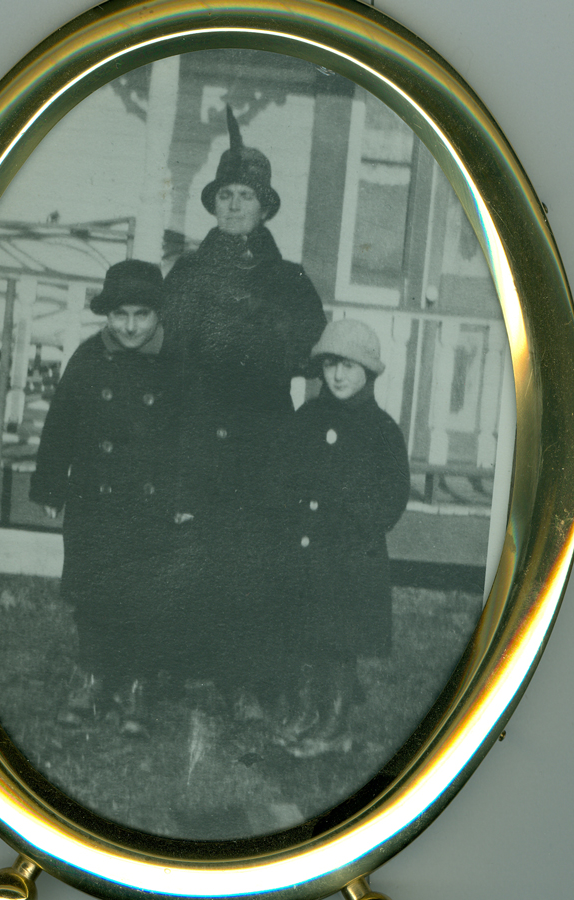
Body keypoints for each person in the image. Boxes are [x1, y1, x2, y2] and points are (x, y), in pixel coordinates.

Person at [161, 106, 326, 710]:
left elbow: (302, 343)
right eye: (225, 195)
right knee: (194, 551)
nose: (233, 206)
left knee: (255, 555)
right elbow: (173, 342)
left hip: (262, 439)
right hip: (199, 433)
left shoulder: (287, 279)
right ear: (213, 204)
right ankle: (184, 673)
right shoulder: (188, 272)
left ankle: (252, 680)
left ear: (264, 208)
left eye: (245, 197)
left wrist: (246, 331)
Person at [29, 259, 181, 729]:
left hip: (154, 505)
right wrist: (52, 483)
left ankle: (136, 684)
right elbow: (60, 425)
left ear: (158, 314)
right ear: (106, 315)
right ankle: (93, 677)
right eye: (120, 315)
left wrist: (187, 499)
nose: (130, 326)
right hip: (95, 499)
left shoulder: (176, 364)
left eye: (141, 314)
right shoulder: (89, 357)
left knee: (144, 594)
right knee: (92, 591)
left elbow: (191, 438)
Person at [274, 319, 410, 757]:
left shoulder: (381, 430)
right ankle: (306, 711)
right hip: (305, 551)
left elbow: (392, 495)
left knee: (338, 640)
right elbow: (286, 477)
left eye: (349, 366)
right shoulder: (307, 418)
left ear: (368, 371)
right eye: (331, 364)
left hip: (350, 558)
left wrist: (358, 525)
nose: (338, 375)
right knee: (300, 634)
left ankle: (335, 721)